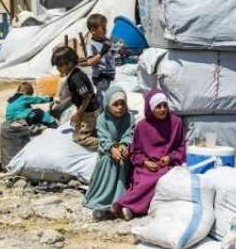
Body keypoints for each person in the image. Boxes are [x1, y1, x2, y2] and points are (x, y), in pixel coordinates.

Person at [114, 89, 186, 220]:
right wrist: (145, 162)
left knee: (162, 179)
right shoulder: (142, 127)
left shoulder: (176, 123)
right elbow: (134, 152)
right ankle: (131, 207)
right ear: (151, 108)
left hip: (167, 165)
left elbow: (181, 147)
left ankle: (128, 207)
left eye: (165, 105)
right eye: (158, 106)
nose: (163, 109)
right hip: (146, 165)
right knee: (143, 180)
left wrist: (170, 157)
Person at [83, 85, 134, 221]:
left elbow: (129, 133)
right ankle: (103, 200)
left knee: (124, 161)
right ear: (108, 105)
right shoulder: (102, 119)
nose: (120, 107)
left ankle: (121, 199)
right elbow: (103, 137)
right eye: (115, 104)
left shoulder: (129, 117)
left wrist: (124, 145)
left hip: (125, 151)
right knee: (109, 161)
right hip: (107, 152)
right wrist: (112, 148)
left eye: (122, 103)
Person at [52, 46, 100, 151]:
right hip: (86, 109)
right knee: (75, 125)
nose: (58, 68)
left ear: (69, 63)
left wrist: (79, 114)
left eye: (59, 66)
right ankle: (92, 130)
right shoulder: (73, 74)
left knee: (79, 139)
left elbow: (87, 96)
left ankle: (105, 144)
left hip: (89, 111)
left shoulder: (76, 78)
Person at [85, 14, 116, 107]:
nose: (105, 30)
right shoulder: (90, 44)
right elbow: (90, 62)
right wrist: (102, 52)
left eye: (105, 27)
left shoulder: (105, 40)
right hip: (100, 75)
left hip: (109, 73)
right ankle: (100, 112)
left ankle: (107, 109)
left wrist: (115, 50)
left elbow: (110, 54)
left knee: (109, 94)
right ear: (93, 30)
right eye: (102, 28)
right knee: (102, 95)